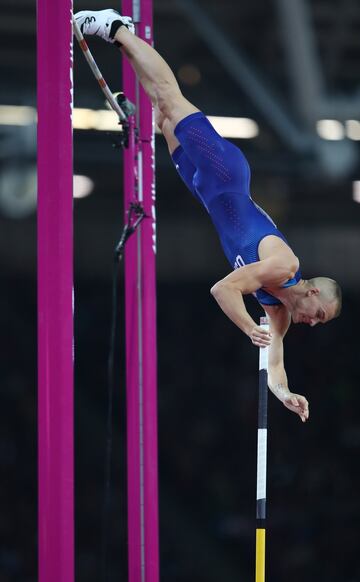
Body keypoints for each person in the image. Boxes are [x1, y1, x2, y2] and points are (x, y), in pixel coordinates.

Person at [75, 9, 342, 423]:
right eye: (319, 315)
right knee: (169, 95)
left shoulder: (279, 311)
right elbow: (223, 290)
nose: (313, 323)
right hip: (225, 173)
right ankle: (115, 28)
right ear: (312, 293)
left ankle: (124, 38)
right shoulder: (284, 266)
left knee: (161, 114)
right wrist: (246, 328)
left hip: (204, 189)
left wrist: (286, 393)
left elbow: (274, 366)